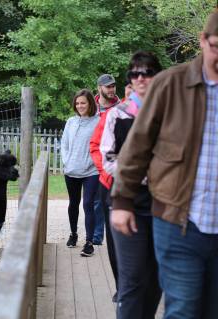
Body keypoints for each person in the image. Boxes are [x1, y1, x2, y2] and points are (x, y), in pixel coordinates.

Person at [112, 10, 218, 319]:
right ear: (202, 41)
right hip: (177, 221)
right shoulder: (171, 84)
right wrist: (121, 200)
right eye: (216, 46)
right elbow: (138, 145)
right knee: (183, 310)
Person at [101, 51, 162, 319]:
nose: (141, 78)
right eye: (135, 73)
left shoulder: (170, 113)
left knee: (156, 281)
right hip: (129, 203)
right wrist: (144, 174)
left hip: (165, 207)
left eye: (147, 72)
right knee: (132, 279)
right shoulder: (119, 115)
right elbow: (108, 159)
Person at [89, 74, 120, 300]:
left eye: (114, 86)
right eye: (107, 86)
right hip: (106, 179)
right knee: (94, 208)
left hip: (138, 185)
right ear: (100, 88)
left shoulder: (123, 109)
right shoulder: (97, 110)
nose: (112, 89)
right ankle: (121, 285)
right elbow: (95, 145)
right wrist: (104, 170)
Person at [61, 89, 100, 257]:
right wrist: (66, 162)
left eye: (83, 102)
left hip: (91, 171)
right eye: (77, 103)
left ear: (90, 103)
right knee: (73, 203)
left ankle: (89, 242)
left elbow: (101, 146)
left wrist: (93, 163)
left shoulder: (99, 122)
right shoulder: (70, 122)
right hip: (71, 170)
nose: (80, 106)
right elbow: (64, 144)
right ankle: (73, 234)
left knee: (88, 204)